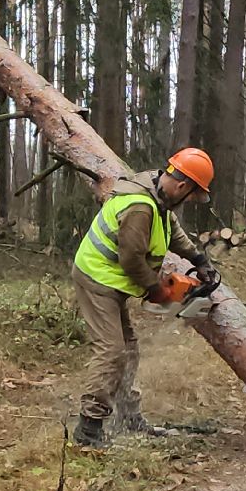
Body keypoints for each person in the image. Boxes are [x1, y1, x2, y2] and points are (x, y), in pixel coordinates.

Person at [70, 148, 220, 448]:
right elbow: (132, 260)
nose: (191, 200)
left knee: (129, 350)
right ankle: (88, 429)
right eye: (192, 194)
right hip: (97, 278)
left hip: (112, 279)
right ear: (182, 185)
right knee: (112, 351)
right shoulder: (141, 207)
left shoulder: (156, 190)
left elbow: (171, 229)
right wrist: (158, 291)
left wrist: (198, 258)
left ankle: (128, 416)